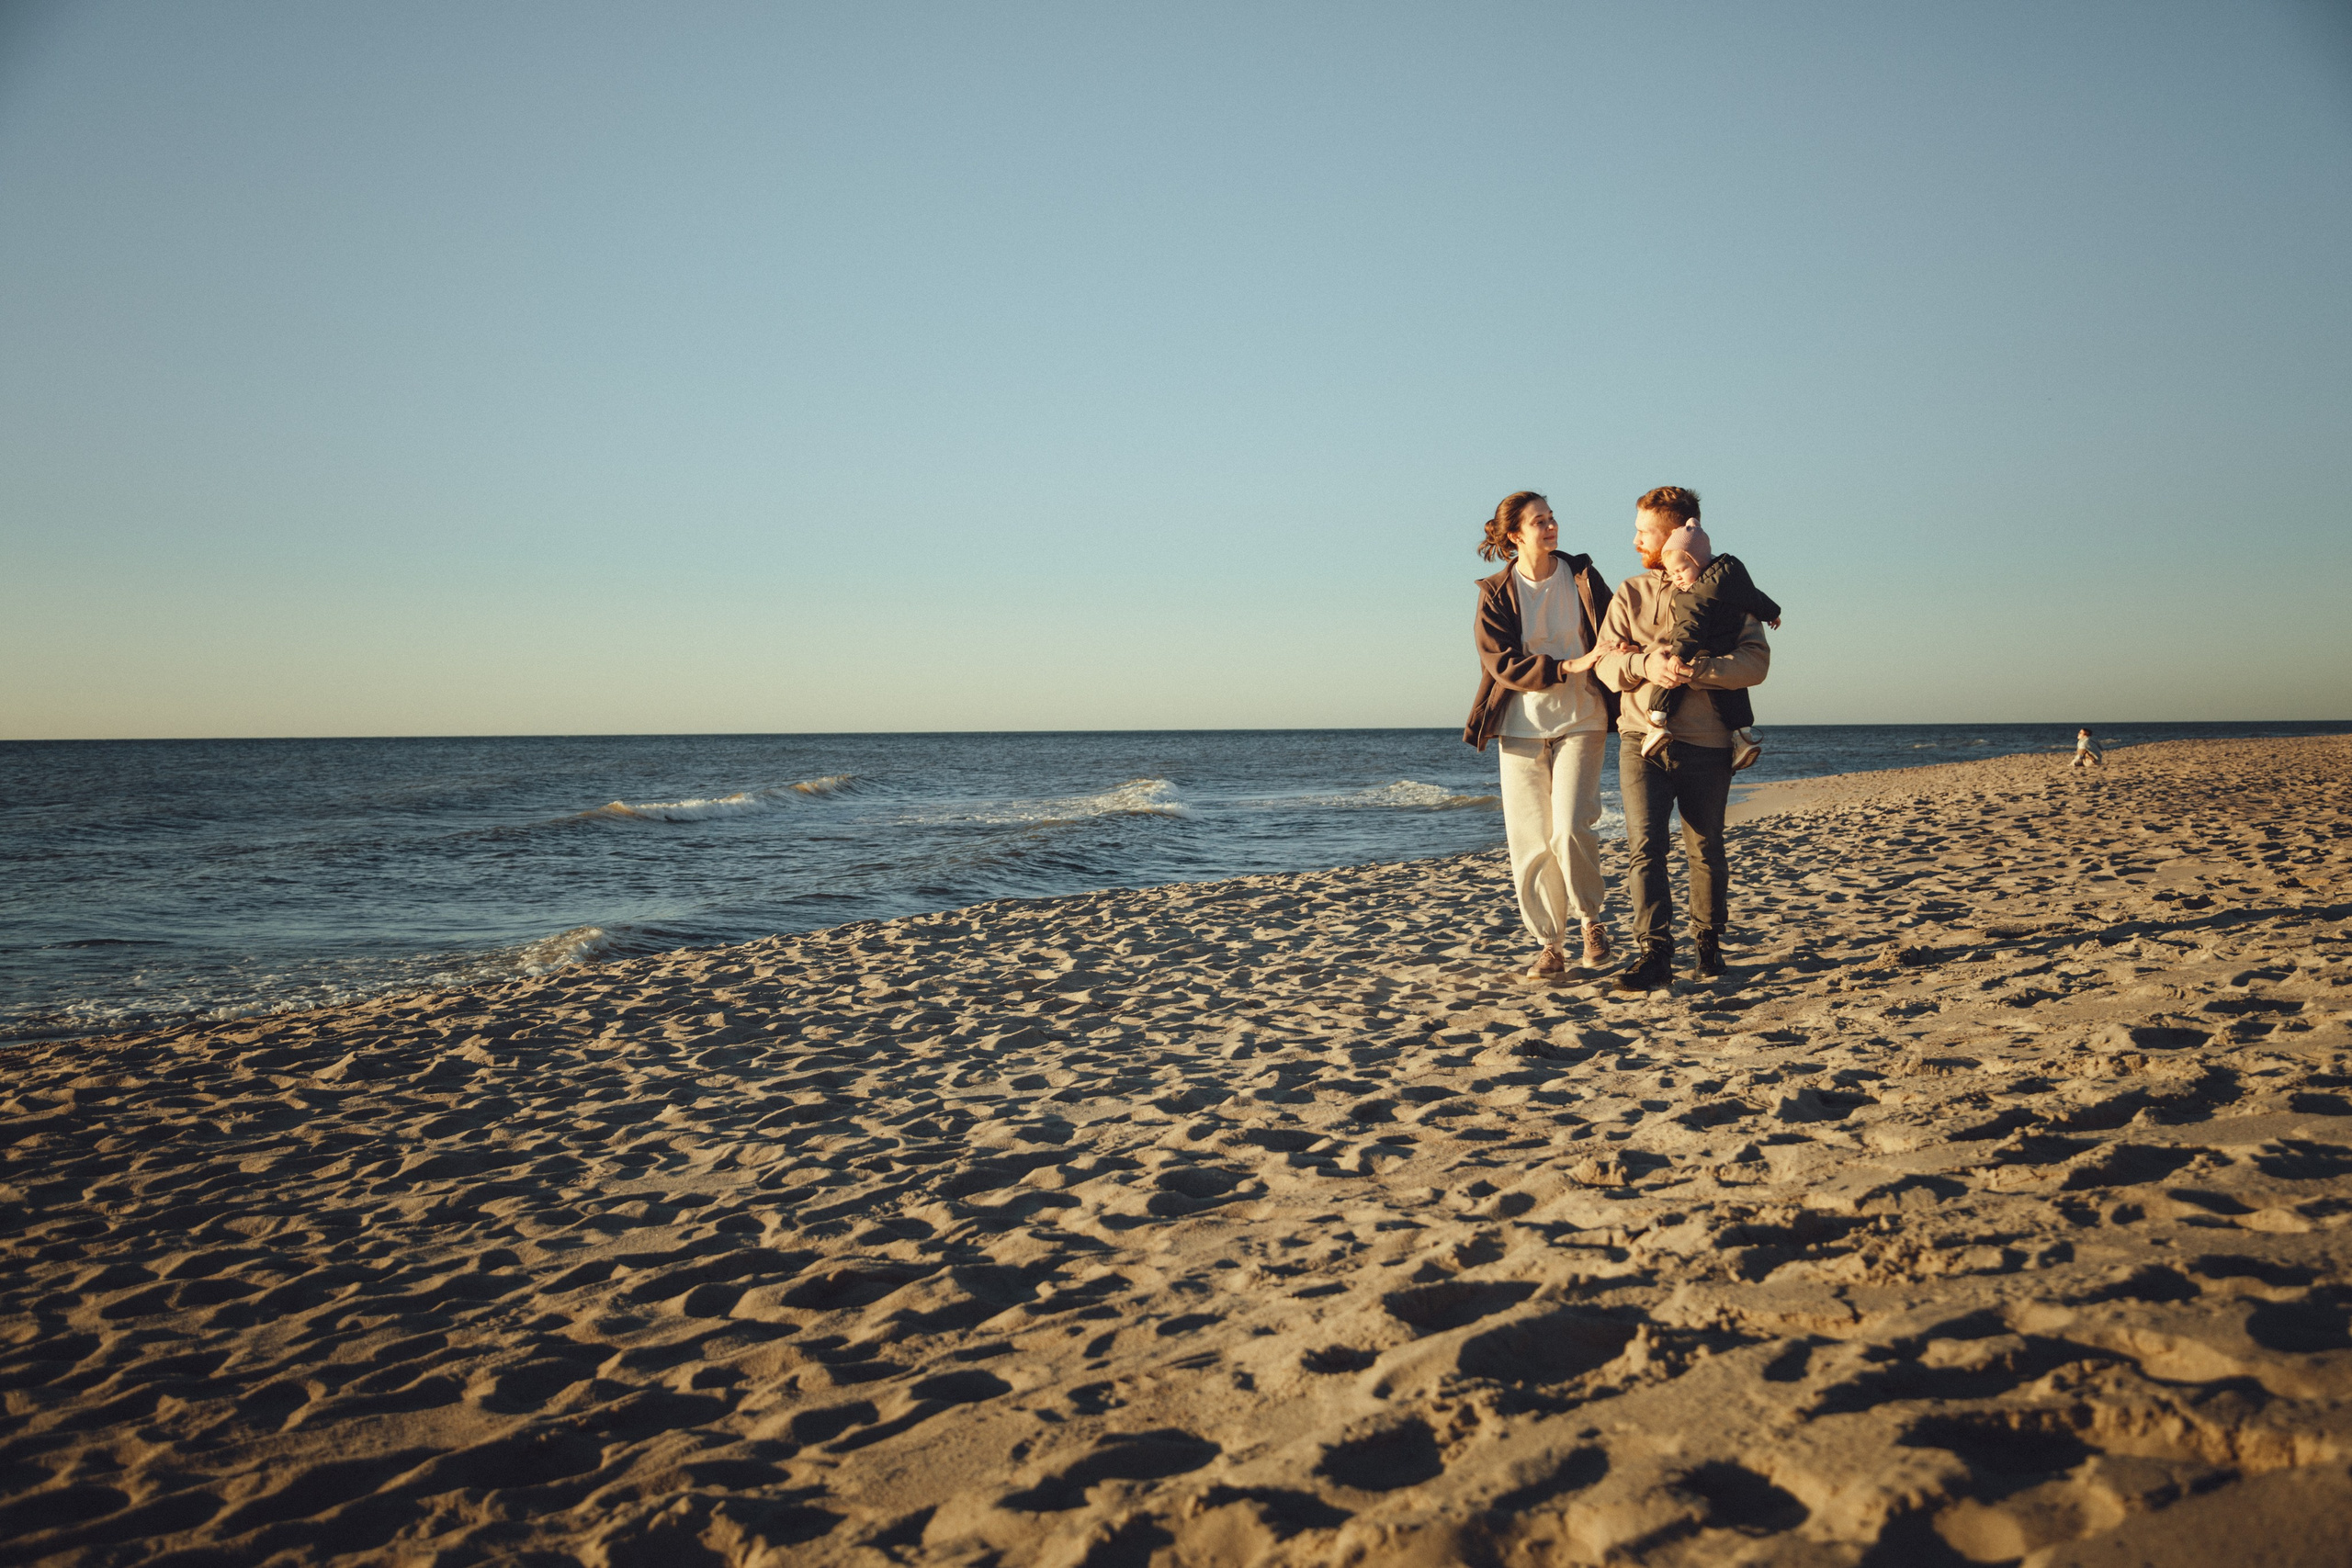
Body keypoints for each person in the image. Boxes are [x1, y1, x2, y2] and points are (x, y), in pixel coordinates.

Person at [1592, 486, 1770, 989]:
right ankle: (1654, 954)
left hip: (1709, 742)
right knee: (1644, 847)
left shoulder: (1728, 593)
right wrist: (1648, 661)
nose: (1634, 541)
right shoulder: (1630, 592)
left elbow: (1756, 663)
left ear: (1676, 534)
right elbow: (1607, 666)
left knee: (1706, 848)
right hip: (1639, 740)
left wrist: (1694, 669)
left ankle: (1709, 948)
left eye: (1643, 531)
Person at [1463, 491, 1632, 978]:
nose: (1551, 527)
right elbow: (1500, 663)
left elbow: (1612, 626)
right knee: (1530, 839)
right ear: (1515, 535)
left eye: (1553, 518)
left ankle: (1592, 923)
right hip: (1520, 725)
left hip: (1584, 715)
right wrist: (1569, 665)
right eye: (1540, 521)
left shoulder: (1580, 575)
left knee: (1571, 825)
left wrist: (1614, 647)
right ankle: (1549, 944)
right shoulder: (1496, 591)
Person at [1630, 519, 1782, 768]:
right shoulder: (1732, 576)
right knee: (1732, 691)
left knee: (1669, 676)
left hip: (1693, 647)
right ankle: (1743, 737)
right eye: (1672, 574)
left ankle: (1656, 724)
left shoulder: (1695, 594)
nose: (1677, 579)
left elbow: (1691, 628)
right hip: (1726, 647)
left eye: (1681, 570)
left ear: (1698, 561)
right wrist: (1771, 612)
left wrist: (1679, 655)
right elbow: (1752, 596)